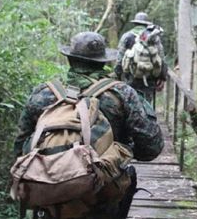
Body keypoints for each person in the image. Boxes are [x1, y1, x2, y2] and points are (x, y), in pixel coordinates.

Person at [13, 31, 164, 219]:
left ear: (70, 60)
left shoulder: (43, 94)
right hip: (101, 196)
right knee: (128, 176)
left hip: (50, 194)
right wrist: (122, 149)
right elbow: (151, 148)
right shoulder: (123, 94)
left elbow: (20, 149)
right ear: (103, 62)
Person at [115, 12, 167, 104]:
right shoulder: (154, 37)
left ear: (135, 23)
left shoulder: (127, 36)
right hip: (149, 78)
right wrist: (162, 77)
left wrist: (118, 75)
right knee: (147, 103)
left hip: (131, 77)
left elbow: (120, 58)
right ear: (147, 24)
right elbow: (161, 57)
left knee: (131, 102)